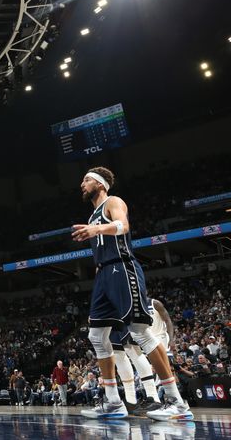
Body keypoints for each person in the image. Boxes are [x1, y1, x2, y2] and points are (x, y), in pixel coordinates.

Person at [72, 167, 192, 421]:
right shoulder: (92, 213)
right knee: (96, 335)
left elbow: (123, 226)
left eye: (87, 180)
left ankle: (176, 401)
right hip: (104, 274)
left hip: (122, 268)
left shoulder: (113, 202)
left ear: (101, 184)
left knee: (139, 331)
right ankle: (114, 402)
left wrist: (97, 230)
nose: (82, 184)